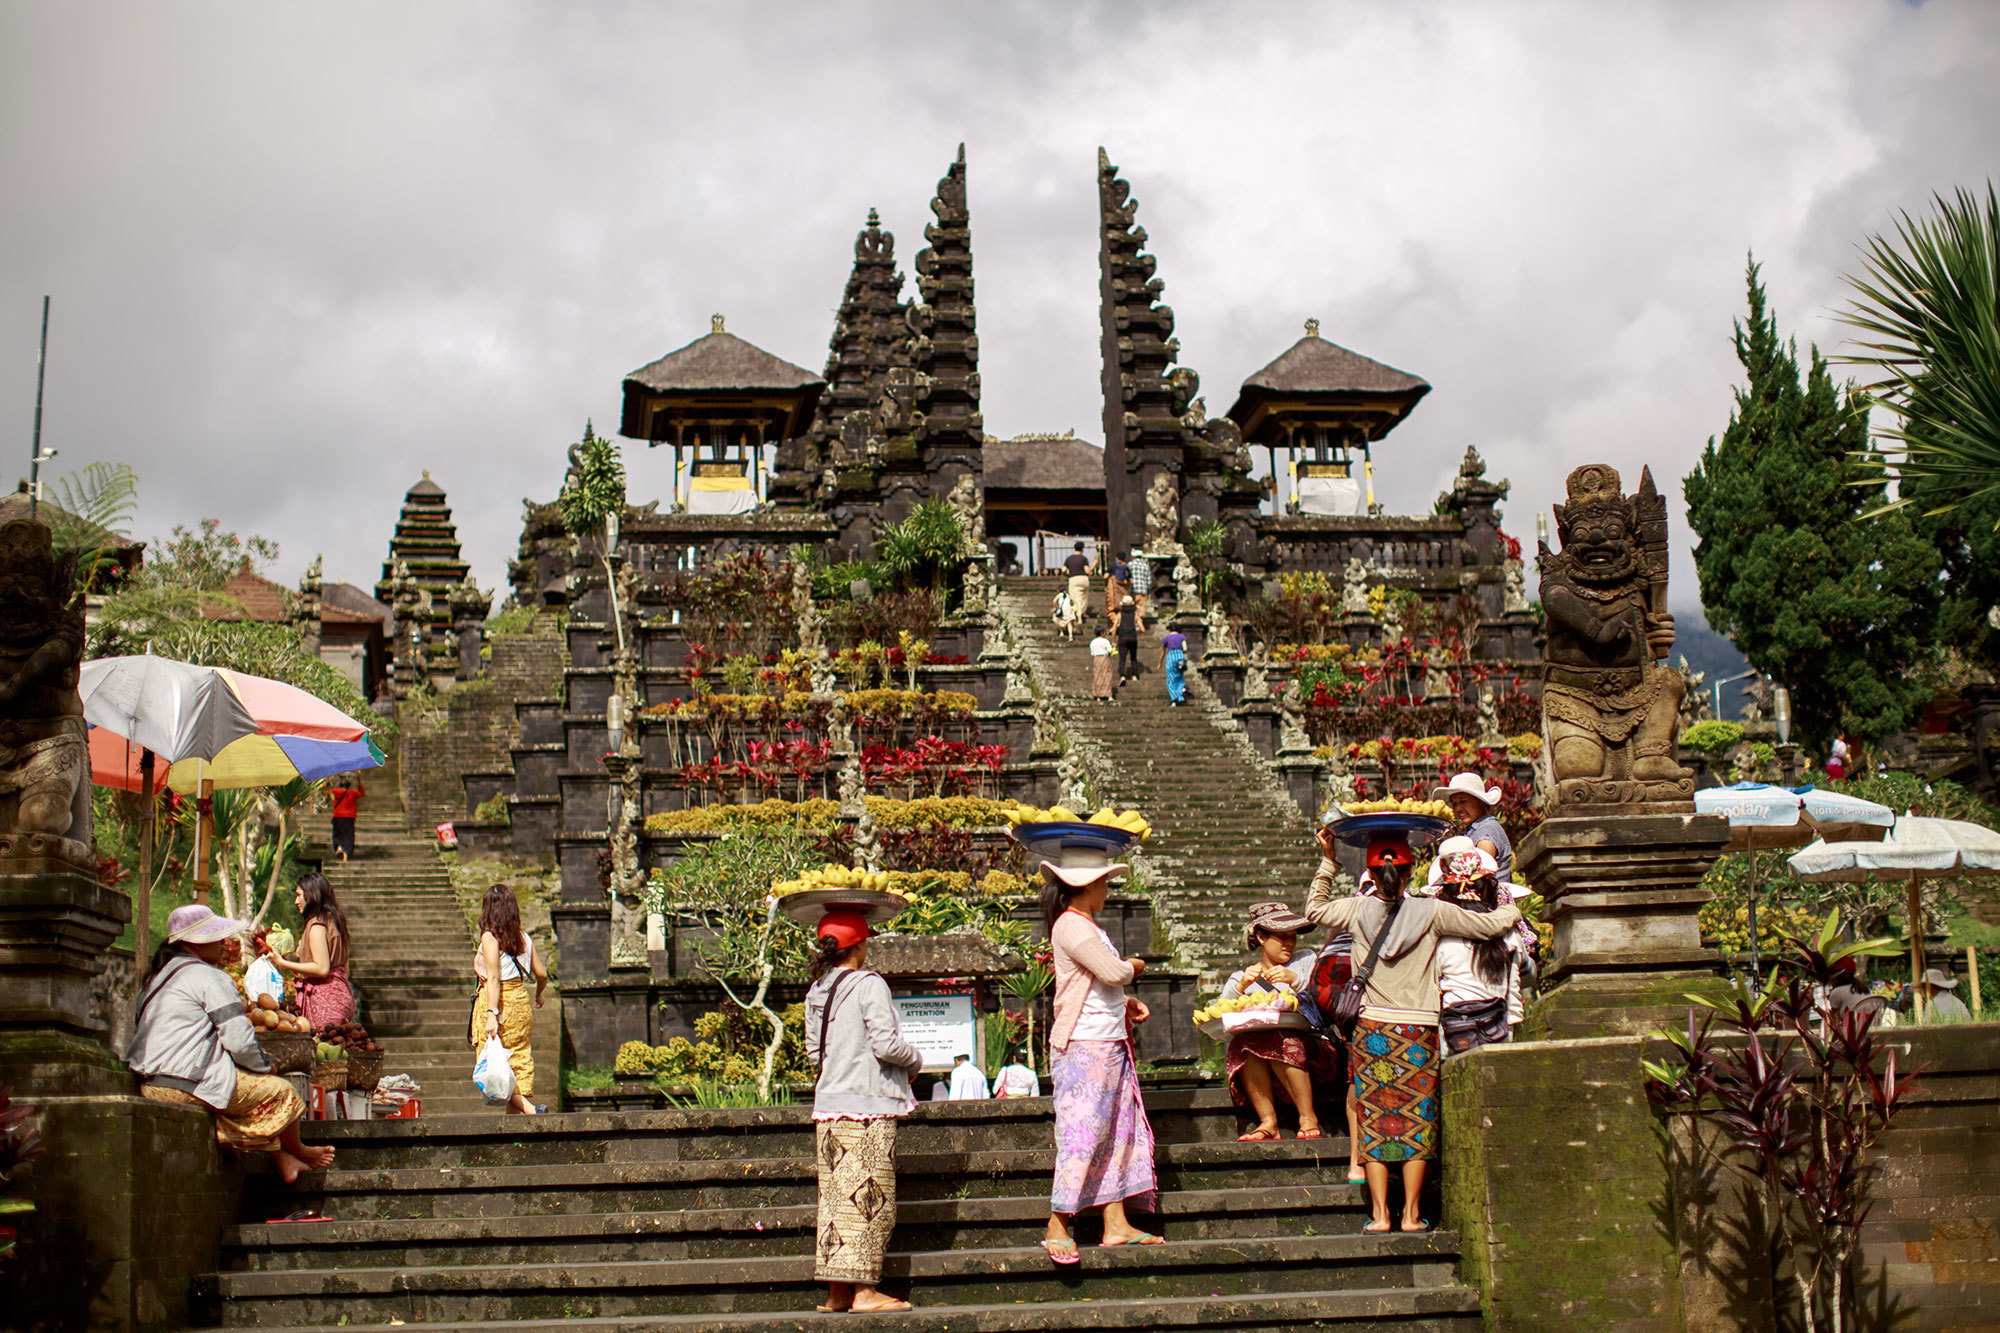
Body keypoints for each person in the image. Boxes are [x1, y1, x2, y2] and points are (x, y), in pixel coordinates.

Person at [1305, 833, 1521, 1233]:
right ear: (1408, 875)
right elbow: (1489, 925)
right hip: (1418, 1029)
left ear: (1371, 871)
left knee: (1376, 1118)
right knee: (1416, 1119)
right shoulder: (1433, 911)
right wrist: (1510, 907)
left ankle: (1380, 1215)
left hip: (1371, 1030)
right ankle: (1410, 1215)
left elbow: (1314, 909)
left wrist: (1328, 860)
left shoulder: (1355, 910)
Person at [129, 905, 336, 1183]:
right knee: (282, 1093)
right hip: (185, 1082)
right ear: (195, 944)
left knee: (229, 1101)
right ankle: (297, 1149)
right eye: (215, 938)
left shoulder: (153, 980)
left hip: (151, 1085)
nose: (223, 944)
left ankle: (281, 1158)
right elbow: (239, 1042)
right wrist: (266, 1067)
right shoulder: (210, 978)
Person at [1041, 852, 1159, 1262]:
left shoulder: (1085, 925)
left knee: (1116, 1132)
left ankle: (1116, 1221)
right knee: (1082, 1135)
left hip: (1107, 1041)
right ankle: (1058, 1222)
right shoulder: (1071, 924)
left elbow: (1096, 983)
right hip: (1085, 1046)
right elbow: (1112, 971)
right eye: (1104, 883)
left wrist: (1123, 1002)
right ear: (1087, 886)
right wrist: (1134, 967)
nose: (1107, 890)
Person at [804, 907, 922, 1314]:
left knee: (837, 1202)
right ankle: (866, 1293)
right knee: (872, 1200)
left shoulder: (817, 990)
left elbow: (813, 1052)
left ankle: (838, 1292)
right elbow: (887, 1046)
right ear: (861, 944)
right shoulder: (869, 984)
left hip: (829, 1107)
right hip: (867, 1106)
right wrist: (916, 1060)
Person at [1221, 902, 1335, 1142]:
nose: (1289, 944)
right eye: (1282, 937)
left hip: (1313, 1049)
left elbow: (1324, 994)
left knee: (1283, 1038)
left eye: (1292, 937)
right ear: (1261, 937)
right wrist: (1241, 987)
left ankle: (1307, 1117)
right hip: (1266, 1055)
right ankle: (1268, 1121)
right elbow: (1220, 1011)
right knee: (1244, 1041)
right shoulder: (1242, 978)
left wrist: (1295, 979)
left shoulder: (1305, 960)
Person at [1430, 848, 1520, 1056]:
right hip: (1497, 1031)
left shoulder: (1438, 935)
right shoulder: (1507, 931)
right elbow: (1514, 990)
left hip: (1453, 1035)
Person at [469, 883, 548, 1115]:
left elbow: (493, 979)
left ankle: (533, 1111)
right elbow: (541, 974)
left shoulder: (490, 938)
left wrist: (491, 1014)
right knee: (517, 1062)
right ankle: (515, 1137)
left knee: (492, 1066)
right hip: (521, 1003)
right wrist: (539, 993)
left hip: (498, 1004)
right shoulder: (524, 938)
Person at [259, 871, 354, 1029]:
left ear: (311, 895)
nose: (296, 901)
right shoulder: (335, 921)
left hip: (326, 1002)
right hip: (341, 996)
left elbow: (322, 968)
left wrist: (282, 962)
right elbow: (344, 968)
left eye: (299, 895)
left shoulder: (317, 925)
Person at [1431, 773, 1513, 883]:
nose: (1458, 808)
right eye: (1454, 804)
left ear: (1479, 801)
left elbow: (1479, 873)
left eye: (1463, 802)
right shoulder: (1477, 828)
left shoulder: (1487, 831)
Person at [327, 774, 365, 862]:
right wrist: (359, 782)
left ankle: (339, 846)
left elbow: (327, 793)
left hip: (338, 816)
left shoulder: (335, 792)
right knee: (348, 834)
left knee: (338, 833)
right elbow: (361, 793)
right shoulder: (352, 793)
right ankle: (346, 851)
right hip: (349, 817)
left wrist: (327, 784)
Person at [1114, 596, 1144, 686]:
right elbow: (1142, 629)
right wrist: (1135, 632)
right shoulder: (1135, 615)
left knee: (1122, 659)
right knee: (1133, 658)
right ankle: (1134, 675)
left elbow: (1114, 628)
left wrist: (1114, 640)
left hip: (1122, 638)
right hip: (1132, 638)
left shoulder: (1119, 615)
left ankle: (1122, 676)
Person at [1063, 541, 1095, 623]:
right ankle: (1082, 612)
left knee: (1075, 599)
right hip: (1084, 579)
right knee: (1083, 598)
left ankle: (1079, 616)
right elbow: (1087, 571)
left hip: (1073, 579)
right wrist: (1094, 565)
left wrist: (1067, 574)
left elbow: (1063, 569)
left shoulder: (1069, 559)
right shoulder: (1083, 558)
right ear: (1082, 549)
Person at [1160, 627, 1189, 706]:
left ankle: (1174, 698)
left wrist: (1160, 663)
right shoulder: (1182, 636)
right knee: (1180, 676)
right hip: (1180, 656)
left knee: (1171, 678)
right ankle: (1181, 691)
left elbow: (1163, 652)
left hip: (1171, 657)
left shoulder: (1166, 638)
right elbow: (1185, 648)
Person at [1089, 625, 1116, 702]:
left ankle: (1098, 695)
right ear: (1102, 633)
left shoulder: (1093, 642)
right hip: (1104, 658)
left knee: (1097, 676)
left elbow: (1092, 652)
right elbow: (1110, 651)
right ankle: (1108, 695)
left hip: (1096, 658)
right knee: (1107, 675)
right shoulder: (1105, 641)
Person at [1128, 550, 1152, 617]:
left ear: (1133, 557)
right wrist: (1148, 591)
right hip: (1143, 591)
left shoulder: (1130, 565)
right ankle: (1140, 624)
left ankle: (1133, 624)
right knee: (1141, 609)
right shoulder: (1146, 566)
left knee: (1131, 608)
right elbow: (1149, 581)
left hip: (1133, 590)